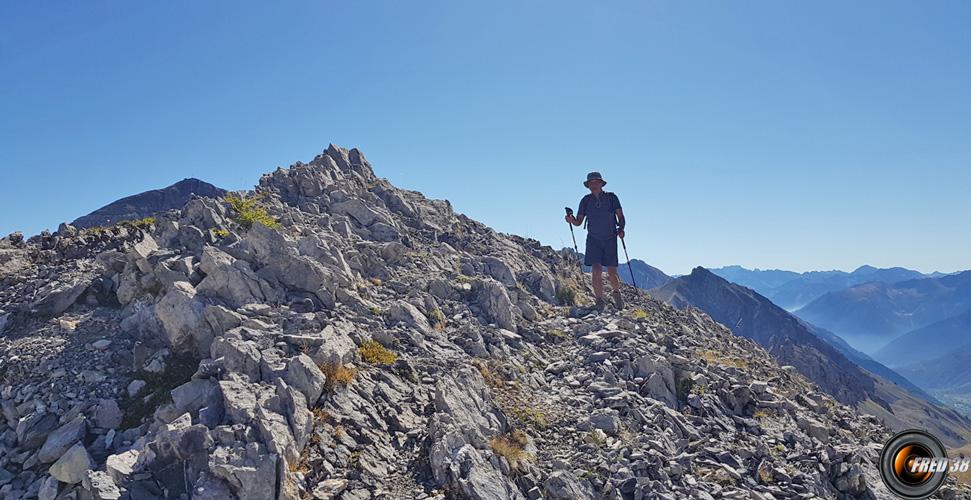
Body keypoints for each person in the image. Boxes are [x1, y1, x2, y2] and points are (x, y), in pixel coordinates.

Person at [565, 171, 626, 311]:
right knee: (596, 270)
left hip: (610, 238)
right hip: (593, 239)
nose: (593, 185)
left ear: (600, 183)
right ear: (588, 186)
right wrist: (571, 220)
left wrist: (621, 229)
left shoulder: (612, 198)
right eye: (591, 183)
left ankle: (616, 293)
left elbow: (621, 217)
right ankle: (599, 301)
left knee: (611, 272)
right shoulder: (585, 201)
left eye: (595, 182)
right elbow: (579, 222)